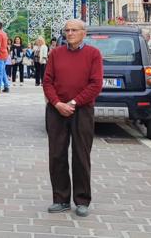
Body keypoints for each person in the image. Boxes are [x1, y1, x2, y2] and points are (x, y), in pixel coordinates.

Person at [42, 19, 103, 218]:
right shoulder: (55, 54)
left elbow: (96, 84)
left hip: (82, 111)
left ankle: (82, 200)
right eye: (67, 30)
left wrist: (74, 102)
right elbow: (47, 81)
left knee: (81, 155)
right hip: (56, 110)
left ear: (84, 32)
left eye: (74, 30)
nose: (69, 33)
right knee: (57, 155)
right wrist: (57, 103)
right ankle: (60, 199)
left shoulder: (93, 54)